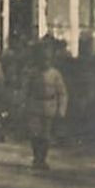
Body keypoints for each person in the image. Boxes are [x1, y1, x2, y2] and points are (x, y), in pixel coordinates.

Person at [25, 37, 68, 170]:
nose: (45, 62)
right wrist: (24, 104)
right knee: (34, 133)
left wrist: (61, 109)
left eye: (47, 60)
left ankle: (42, 158)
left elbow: (62, 92)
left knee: (45, 134)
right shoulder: (32, 73)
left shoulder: (55, 74)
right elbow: (26, 89)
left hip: (49, 105)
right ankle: (36, 157)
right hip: (35, 104)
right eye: (43, 59)